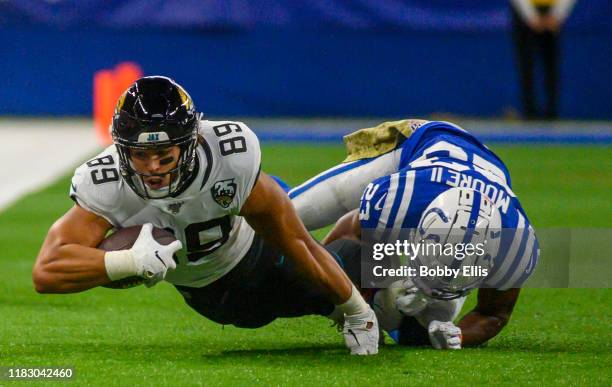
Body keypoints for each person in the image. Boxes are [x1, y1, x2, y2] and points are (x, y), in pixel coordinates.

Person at [32, 76, 379, 355]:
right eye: (140, 155)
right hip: (215, 291)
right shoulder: (106, 182)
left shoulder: (229, 155)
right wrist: (128, 261)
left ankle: (403, 236)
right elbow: (46, 271)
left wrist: (355, 310)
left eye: (164, 154)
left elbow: (294, 240)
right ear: (122, 150)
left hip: (252, 237)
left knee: (365, 266)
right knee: (350, 274)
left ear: (189, 142)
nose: (152, 167)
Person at [289, 119, 539, 349]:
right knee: (289, 212)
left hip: (479, 173)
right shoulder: (401, 199)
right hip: (420, 144)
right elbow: (350, 233)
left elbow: (493, 313)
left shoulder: (516, 244)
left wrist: (458, 335)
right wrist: (344, 297)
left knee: (422, 333)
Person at [510, 0, 576, 119]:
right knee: (526, 65)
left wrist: (556, 15)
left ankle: (552, 111)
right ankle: (529, 111)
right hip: (525, 13)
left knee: (551, 65)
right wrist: (531, 16)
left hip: (552, 11)